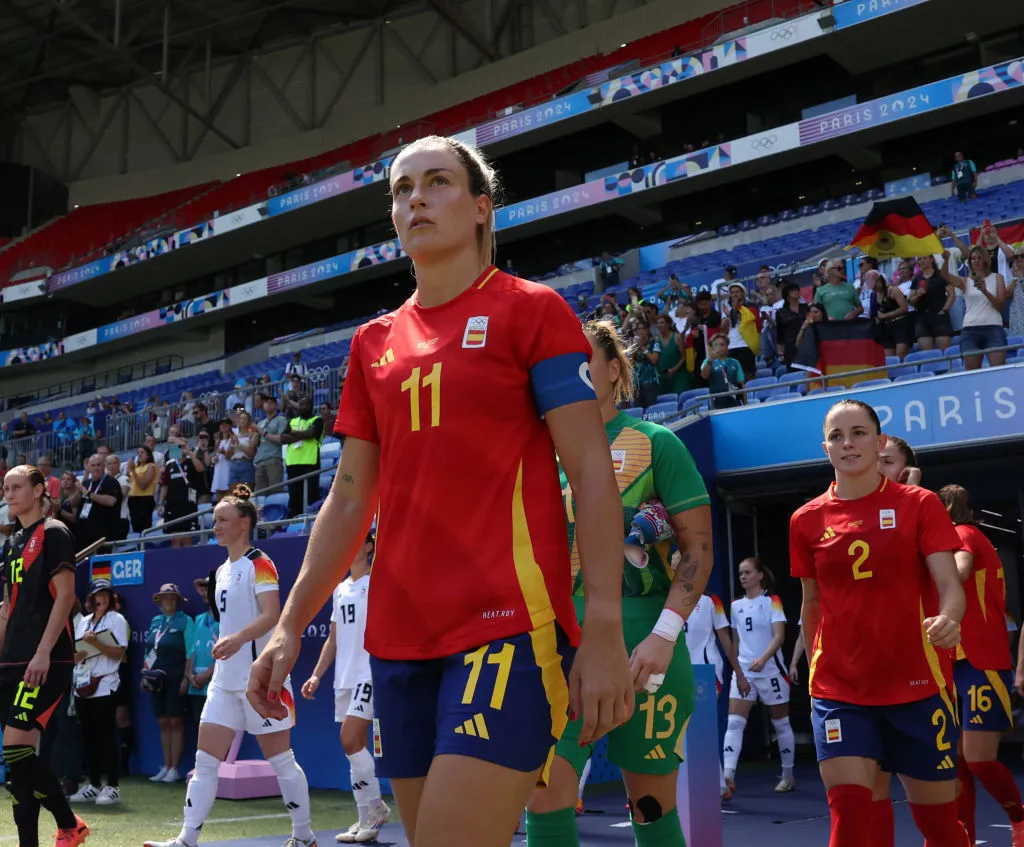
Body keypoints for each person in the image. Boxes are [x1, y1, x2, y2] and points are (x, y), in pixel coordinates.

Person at [246, 135, 633, 847]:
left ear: (482, 208)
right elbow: (350, 496)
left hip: (507, 626)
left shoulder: (533, 311)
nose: (415, 198)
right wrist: (289, 621)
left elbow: (590, 470)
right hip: (398, 640)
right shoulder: (373, 342)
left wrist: (603, 622)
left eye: (437, 182)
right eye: (401, 189)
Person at [525, 319, 713, 847]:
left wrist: (664, 635)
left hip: (643, 645)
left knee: (651, 809)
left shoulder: (658, 445)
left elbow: (697, 549)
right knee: (545, 794)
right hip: (557, 646)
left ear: (614, 369)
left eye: (587, 358)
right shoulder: (537, 450)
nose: (576, 370)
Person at [790, 399, 967, 847]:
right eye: (836, 436)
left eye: (859, 433)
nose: (847, 443)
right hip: (840, 690)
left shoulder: (920, 505)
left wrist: (949, 618)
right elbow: (811, 604)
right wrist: (815, 675)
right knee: (850, 814)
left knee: (941, 828)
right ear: (825, 448)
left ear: (880, 441)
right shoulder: (806, 520)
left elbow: (949, 582)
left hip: (916, 685)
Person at [144, 484, 316, 847]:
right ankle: (187, 839)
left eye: (223, 519)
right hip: (223, 683)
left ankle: (304, 837)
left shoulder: (261, 563)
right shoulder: (220, 570)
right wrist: (229, 644)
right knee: (205, 762)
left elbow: (272, 616)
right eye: (214, 519)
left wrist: (238, 639)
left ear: (244, 523)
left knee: (282, 761)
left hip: (259, 681)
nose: (215, 525)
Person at [0, 465, 90, 847]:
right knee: (18, 769)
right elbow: (7, 609)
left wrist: (41, 653)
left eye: (17, 487)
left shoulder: (54, 532)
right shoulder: (11, 543)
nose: (9, 494)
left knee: (16, 750)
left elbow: (66, 596)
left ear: (39, 490)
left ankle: (71, 824)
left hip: (46, 658)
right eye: (5, 488)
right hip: (12, 659)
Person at [937, 484, 1024, 845]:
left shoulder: (963, 535)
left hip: (981, 659)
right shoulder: (965, 535)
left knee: (978, 759)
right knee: (956, 762)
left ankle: (1019, 820)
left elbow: (960, 569)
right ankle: (965, 838)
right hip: (956, 659)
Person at [301, 531, 390, 843]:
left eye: (356, 541)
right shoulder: (340, 590)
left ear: (368, 546)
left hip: (369, 672)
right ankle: (365, 816)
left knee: (349, 739)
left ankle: (377, 809)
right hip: (344, 676)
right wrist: (316, 674)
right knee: (354, 750)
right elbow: (333, 638)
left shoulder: (377, 582)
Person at [721, 558, 795, 795]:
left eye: (747, 572)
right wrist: (739, 673)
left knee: (781, 723)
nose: (742, 577)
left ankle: (788, 774)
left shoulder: (772, 602)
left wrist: (763, 659)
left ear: (760, 575)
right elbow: (735, 642)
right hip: (745, 672)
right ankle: (727, 777)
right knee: (734, 722)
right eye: (740, 573)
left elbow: (779, 636)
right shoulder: (735, 605)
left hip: (771, 670)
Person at [68, 578, 129, 806]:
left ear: (110, 597)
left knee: (105, 736)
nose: (100, 598)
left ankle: (112, 787)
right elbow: (73, 655)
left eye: (104, 594)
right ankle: (93, 784)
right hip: (82, 684)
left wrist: (96, 645)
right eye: (97, 595)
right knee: (88, 736)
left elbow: (118, 653)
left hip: (105, 684)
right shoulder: (82, 622)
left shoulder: (117, 619)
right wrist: (81, 653)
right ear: (91, 599)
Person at [681, 586, 744, 800]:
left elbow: (725, 639)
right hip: (679, 671)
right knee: (687, 731)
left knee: (699, 729)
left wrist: (739, 673)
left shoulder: (711, 600)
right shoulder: (668, 598)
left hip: (706, 672)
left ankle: (714, 786)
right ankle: (718, 786)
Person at [143, 584, 195, 784]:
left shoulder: (185, 621)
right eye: (165, 599)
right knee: (163, 721)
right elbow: (149, 649)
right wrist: (145, 674)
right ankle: (165, 767)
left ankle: (175, 769)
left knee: (176, 721)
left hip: (176, 673)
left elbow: (190, 651)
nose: (169, 602)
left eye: (173, 599)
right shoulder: (156, 621)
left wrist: (185, 677)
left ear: (178, 602)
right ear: (160, 602)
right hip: (156, 675)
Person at [185, 577, 219, 725]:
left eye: (210, 588)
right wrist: (189, 675)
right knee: (201, 729)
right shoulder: (198, 619)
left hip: (216, 686)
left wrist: (207, 675)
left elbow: (228, 654)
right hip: (197, 686)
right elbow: (193, 650)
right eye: (204, 588)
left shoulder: (228, 619)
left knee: (217, 731)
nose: (206, 592)